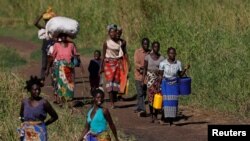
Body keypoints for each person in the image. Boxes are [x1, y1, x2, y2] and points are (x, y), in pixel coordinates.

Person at [18, 76, 58, 141]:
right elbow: (21, 115)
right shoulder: (24, 102)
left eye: (39, 89)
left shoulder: (44, 102)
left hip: (40, 132)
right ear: (30, 90)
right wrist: (26, 124)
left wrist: (44, 124)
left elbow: (55, 116)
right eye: (35, 90)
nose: (37, 91)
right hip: (27, 132)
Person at [159, 47, 190, 125]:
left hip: (175, 85)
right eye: (170, 53)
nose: (172, 55)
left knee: (173, 102)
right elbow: (160, 75)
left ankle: (171, 120)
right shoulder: (163, 63)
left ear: (175, 54)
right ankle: (165, 118)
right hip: (166, 84)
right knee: (166, 102)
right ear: (168, 54)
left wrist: (185, 69)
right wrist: (159, 86)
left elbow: (180, 75)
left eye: (173, 53)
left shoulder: (178, 63)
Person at [100, 24, 124, 108]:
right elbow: (103, 56)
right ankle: (111, 103)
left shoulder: (121, 42)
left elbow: (124, 54)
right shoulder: (106, 43)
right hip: (108, 64)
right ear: (108, 34)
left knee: (116, 83)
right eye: (110, 32)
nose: (112, 34)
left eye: (113, 32)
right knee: (110, 82)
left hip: (117, 64)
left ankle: (114, 98)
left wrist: (126, 65)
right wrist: (101, 67)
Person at [50, 33, 78, 105]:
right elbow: (53, 56)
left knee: (69, 83)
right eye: (61, 36)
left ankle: (69, 99)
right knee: (61, 83)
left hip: (69, 66)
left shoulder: (71, 45)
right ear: (59, 37)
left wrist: (79, 65)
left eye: (65, 36)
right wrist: (50, 67)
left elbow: (75, 55)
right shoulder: (56, 45)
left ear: (67, 36)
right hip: (60, 67)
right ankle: (62, 100)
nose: (63, 37)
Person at [142, 41, 165, 123]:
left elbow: (163, 70)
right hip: (150, 78)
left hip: (158, 79)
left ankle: (155, 113)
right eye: (154, 47)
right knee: (150, 97)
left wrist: (161, 78)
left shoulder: (162, 58)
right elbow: (144, 69)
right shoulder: (147, 57)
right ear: (152, 47)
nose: (156, 48)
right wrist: (143, 80)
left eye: (157, 47)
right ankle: (151, 114)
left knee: (157, 96)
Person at [34, 7, 56, 84]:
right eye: (45, 21)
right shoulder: (44, 29)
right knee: (44, 65)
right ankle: (42, 79)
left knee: (53, 66)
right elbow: (35, 23)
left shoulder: (54, 30)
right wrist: (41, 15)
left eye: (48, 21)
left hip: (53, 50)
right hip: (44, 49)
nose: (46, 22)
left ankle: (54, 79)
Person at [133, 38, 150, 117]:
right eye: (144, 44)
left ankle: (139, 106)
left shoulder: (150, 53)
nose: (146, 46)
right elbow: (136, 63)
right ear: (142, 44)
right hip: (139, 75)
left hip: (147, 76)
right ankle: (143, 109)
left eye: (147, 44)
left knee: (144, 92)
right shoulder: (138, 52)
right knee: (140, 92)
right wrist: (143, 68)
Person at [117, 26, 130, 100]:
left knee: (123, 77)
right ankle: (114, 93)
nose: (118, 34)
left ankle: (120, 94)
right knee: (116, 77)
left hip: (122, 60)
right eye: (117, 33)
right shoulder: (111, 42)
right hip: (114, 61)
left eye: (120, 33)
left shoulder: (123, 42)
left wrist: (128, 63)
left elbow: (125, 52)